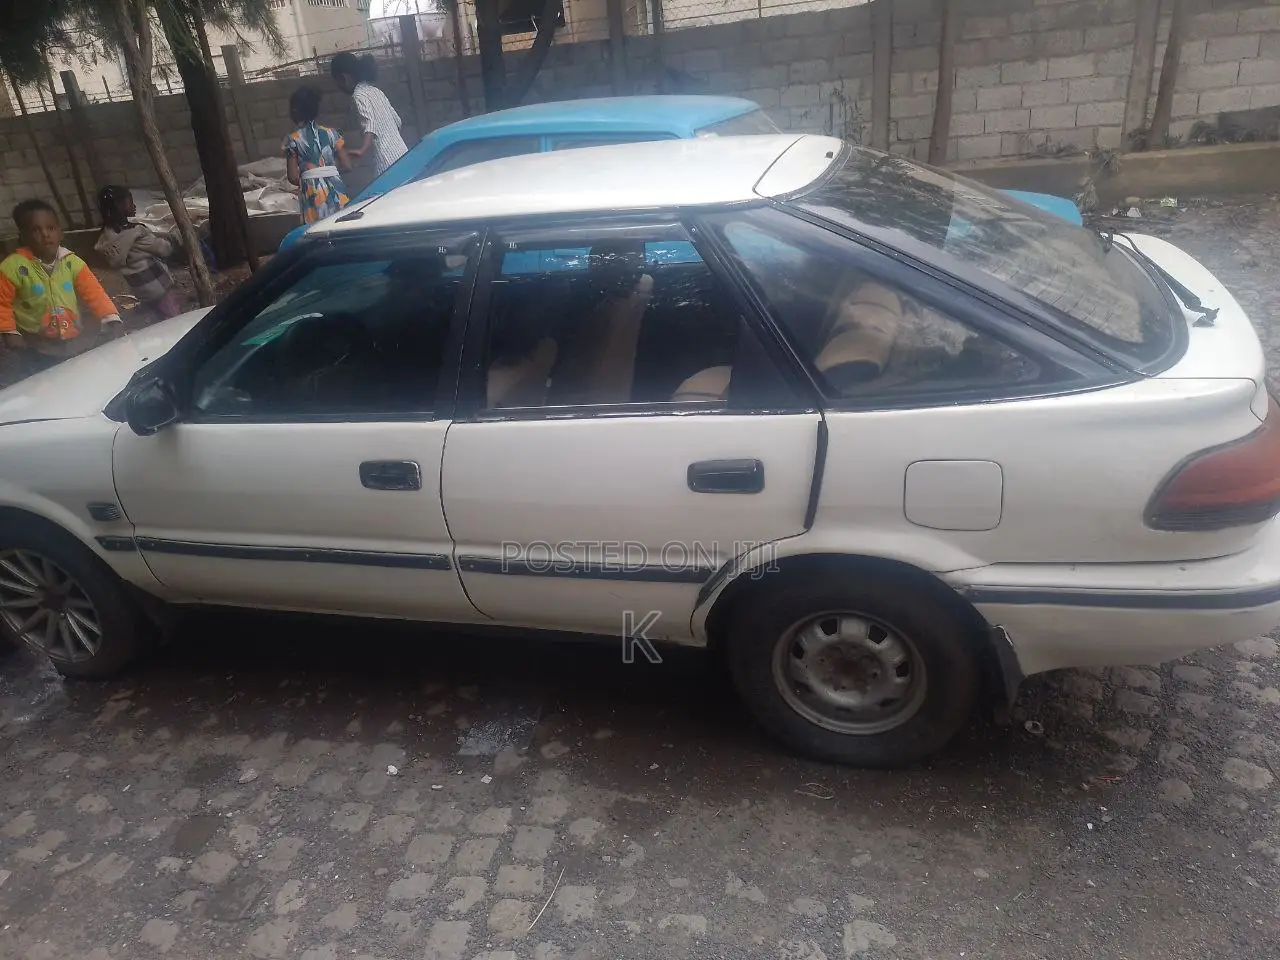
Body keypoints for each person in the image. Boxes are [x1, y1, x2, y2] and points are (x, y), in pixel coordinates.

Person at [0, 199, 122, 375]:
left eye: (50, 228)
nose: (45, 234)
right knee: (42, 377)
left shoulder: (72, 262)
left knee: (72, 372)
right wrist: (9, 331)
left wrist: (109, 316)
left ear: (60, 232)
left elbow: (94, 292)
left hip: (70, 335)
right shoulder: (12, 267)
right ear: (23, 237)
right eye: (36, 230)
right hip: (32, 341)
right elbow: (2, 302)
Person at [94, 185, 183, 326]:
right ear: (118, 206)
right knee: (173, 319)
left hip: (139, 287)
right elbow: (164, 249)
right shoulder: (137, 232)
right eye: (130, 202)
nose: (134, 206)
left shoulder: (106, 237)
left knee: (156, 319)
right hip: (158, 285)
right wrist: (177, 236)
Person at [330, 51, 408, 177]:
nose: (338, 87)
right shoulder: (376, 91)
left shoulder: (358, 95)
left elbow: (370, 124)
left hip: (386, 162)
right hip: (403, 154)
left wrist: (363, 149)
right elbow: (398, 121)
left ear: (344, 78)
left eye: (337, 82)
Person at [283, 85, 352, 226]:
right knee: (342, 227)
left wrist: (312, 178)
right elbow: (347, 165)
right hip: (338, 192)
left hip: (313, 196)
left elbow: (293, 177)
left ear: (295, 111)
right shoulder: (332, 133)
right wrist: (328, 173)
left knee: (318, 231)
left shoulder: (293, 139)